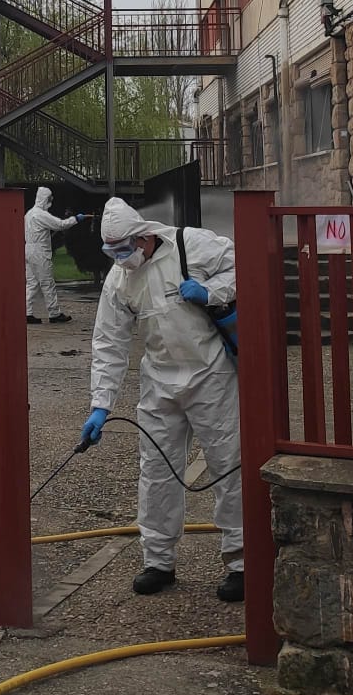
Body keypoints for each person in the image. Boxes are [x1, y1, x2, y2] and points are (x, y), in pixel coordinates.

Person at [79, 196, 245, 601]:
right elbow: (109, 342)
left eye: (123, 250)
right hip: (159, 382)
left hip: (211, 376)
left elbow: (249, 265)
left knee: (228, 466)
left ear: (144, 237)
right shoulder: (120, 278)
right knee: (156, 471)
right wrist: (101, 404)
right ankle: (158, 561)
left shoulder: (190, 245)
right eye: (111, 252)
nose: (119, 259)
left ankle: (242, 562)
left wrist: (211, 290)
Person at [24, 186, 82, 324]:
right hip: (40, 252)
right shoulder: (41, 215)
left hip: (28, 249)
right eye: (50, 199)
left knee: (31, 283)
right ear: (45, 199)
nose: (51, 201)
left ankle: (27, 312)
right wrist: (75, 219)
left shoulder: (29, 214)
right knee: (47, 283)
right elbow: (60, 224)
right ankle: (54, 313)